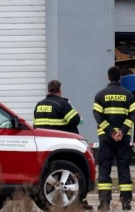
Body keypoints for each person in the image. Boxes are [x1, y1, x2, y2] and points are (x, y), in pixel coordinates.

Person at [34, 80, 92, 210]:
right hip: (62, 144)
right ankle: (78, 201)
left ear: (49, 90)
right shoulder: (63, 104)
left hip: (44, 144)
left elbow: (35, 125)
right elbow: (75, 121)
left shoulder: (39, 105)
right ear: (59, 90)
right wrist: (76, 114)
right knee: (74, 172)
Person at [93, 66, 135, 211]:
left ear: (108, 77)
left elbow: (98, 116)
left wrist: (110, 132)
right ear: (120, 77)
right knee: (123, 168)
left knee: (104, 169)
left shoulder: (100, 95)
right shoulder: (129, 95)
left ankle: (104, 203)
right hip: (123, 139)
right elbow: (134, 115)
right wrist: (122, 131)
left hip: (106, 138)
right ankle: (126, 202)